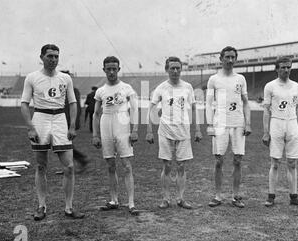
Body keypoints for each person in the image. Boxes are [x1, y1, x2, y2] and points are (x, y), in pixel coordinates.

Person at [20, 44, 85, 221]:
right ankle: (41, 206)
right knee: (41, 165)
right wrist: (30, 128)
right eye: (50, 56)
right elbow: (24, 104)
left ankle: (69, 207)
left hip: (59, 121)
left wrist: (72, 126)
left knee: (69, 166)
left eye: (56, 56)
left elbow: (72, 103)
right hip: (40, 118)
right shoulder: (32, 77)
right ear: (41, 57)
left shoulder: (65, 78)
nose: (53, 60)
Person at [146, 57, 202, 210]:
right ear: (167, 69)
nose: (175, 71)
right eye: (172, 68)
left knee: (182, 165)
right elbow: (151, 108)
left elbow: (195, 108)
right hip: (165, 131)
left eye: (178, 68)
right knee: (167, 165)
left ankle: (181, 198)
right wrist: (149, 130)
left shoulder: (188, 87)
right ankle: (165, 199)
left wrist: (197, 129)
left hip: (183, 132)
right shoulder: (161, 88)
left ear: (181, 69)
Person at [92, 56, 139, 215]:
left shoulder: (127, 88)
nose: (111, 72)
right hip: (106, 124)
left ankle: (131, 202)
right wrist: (95, 135)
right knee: (110, 165)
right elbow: (96, 114)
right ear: (104, 69)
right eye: (108, 69)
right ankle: (114, 200)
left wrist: (134, 130)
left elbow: (134, 110)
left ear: (118, 69)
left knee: (126, 164)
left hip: (122, 124)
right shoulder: (101, 91)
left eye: (114, 68)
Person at [205, 46, 251, 208]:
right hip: (220, 125)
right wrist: (210, 125)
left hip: (238, 124)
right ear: (221, 59)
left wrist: (248, 123)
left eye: (233, 57)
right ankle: (217, 196)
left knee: (238, 160)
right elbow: (209, 104)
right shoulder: (213, 79)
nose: (230, 60)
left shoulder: (241, 79)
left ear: (235, 59)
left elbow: (245, 103)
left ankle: (236, 196)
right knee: (219, 161)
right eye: (227, 57)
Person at [262, 56, 298, 208]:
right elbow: (266, 111)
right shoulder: (270, 86)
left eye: (288, 67)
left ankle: (294, 196)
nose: (286, 70)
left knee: (292, 162)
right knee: (275, 162)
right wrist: (265, 132)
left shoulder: (296, 86)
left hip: (292, 124)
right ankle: (271, 196)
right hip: (276, 123)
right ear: (277, 69)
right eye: (282, 67)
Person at [60, 70, 90, 172]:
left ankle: (81, 160)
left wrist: (71, 124)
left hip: (67, 122)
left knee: (63, 145)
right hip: (69, 121)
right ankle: (79, 161)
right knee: (64, 144)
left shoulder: (70, 91)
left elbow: (72, 108)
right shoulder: (73, 90)